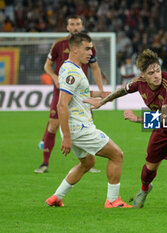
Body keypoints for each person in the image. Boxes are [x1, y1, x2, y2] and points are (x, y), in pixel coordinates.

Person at [84, 49, 167, 213]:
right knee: (149, 168)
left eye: (158, 70)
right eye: (151, 73)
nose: (157, 75)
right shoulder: (139, 83)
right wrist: (103, 102)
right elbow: (123, 90)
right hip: (163, 130)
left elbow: (165, 117)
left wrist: (136, 118)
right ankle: (144, 189)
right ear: (143, 75)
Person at [45, 32, 131, 208]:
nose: (91, 52)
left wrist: (100, 95)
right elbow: (62, 104)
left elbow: (78, 93)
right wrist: (67, 136)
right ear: (74, 49)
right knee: (117, 155)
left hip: (76, 126)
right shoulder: (72, 72)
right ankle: (113, 200)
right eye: (87, 48)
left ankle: (57, 197)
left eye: (91, 48)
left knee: (88, 162)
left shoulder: (69, 68)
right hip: (79, 127)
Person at [35, 15, 107, 174]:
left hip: (81, 91)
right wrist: (54, 77)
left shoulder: (88, 46)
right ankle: (44, 163)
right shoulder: (59, 44)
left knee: (88, 124)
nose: (75, 27)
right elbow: (47, 66)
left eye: (78, 24)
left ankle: (90, 163)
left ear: (81, 26)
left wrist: (101, 90)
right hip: (61, 90)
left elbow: (95, 68)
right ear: (67, 27)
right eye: (72, 24)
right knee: (53, 125)